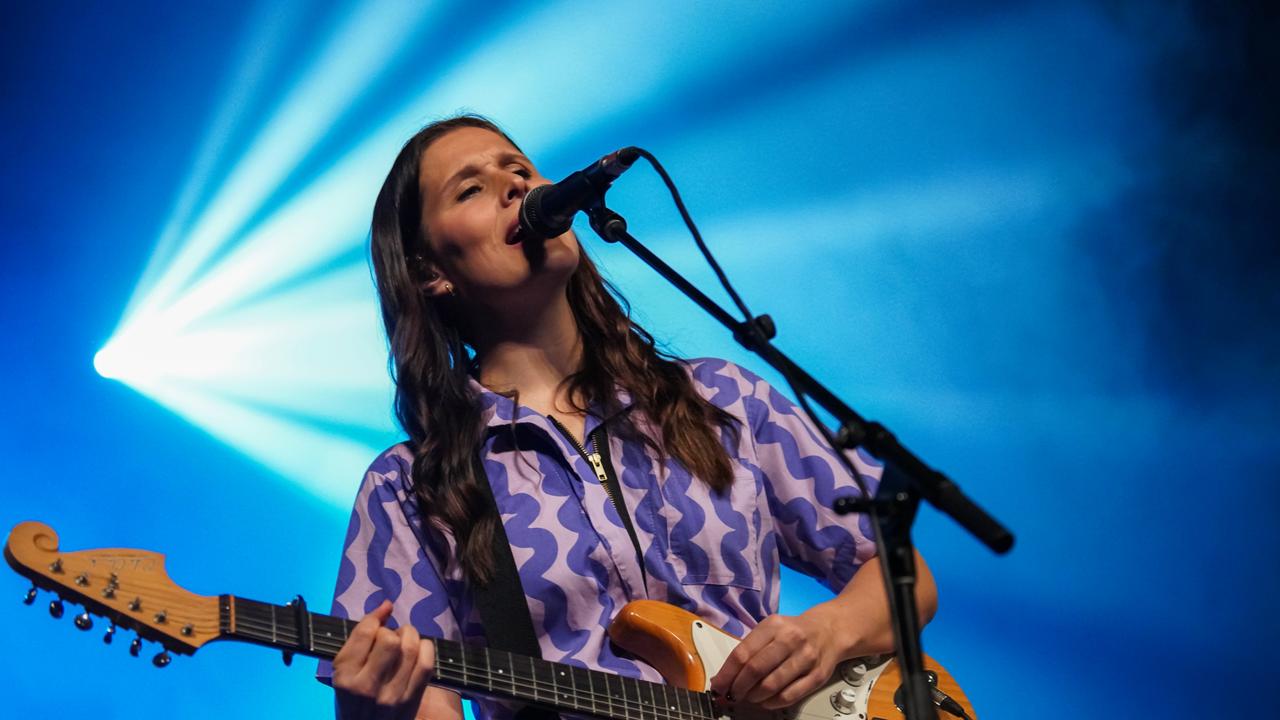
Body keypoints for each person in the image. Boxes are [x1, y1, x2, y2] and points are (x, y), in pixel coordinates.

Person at [317, 115, 938, 720]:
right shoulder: (410, 489)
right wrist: (373, 708)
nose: (514, 186)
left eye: (519, 168)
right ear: (430, 272)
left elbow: (900, 573)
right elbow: (422, 700)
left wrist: (824, 632)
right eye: (471, 189)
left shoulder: (720, 398)